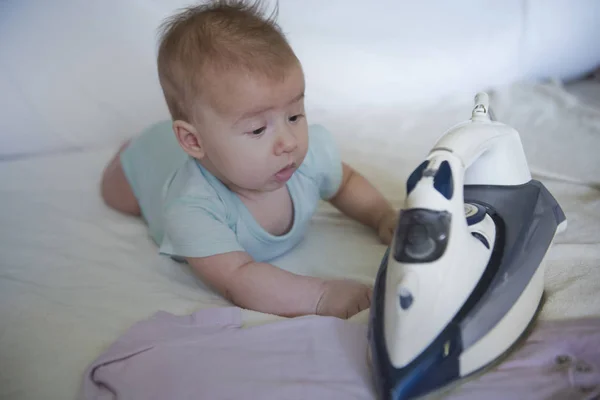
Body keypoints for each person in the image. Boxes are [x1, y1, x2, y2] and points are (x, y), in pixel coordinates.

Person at [100, 0, 397, 320]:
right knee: (118, 197)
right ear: (194, 140)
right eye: (258, 129)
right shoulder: (192, 207)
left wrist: (382, 216)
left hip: (182, 146)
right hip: (147, 160)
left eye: (294, 115)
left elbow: (346, 183)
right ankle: (126, 151)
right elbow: (238, 277)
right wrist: (321, 295)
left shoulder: (307, 156)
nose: (288, 142)